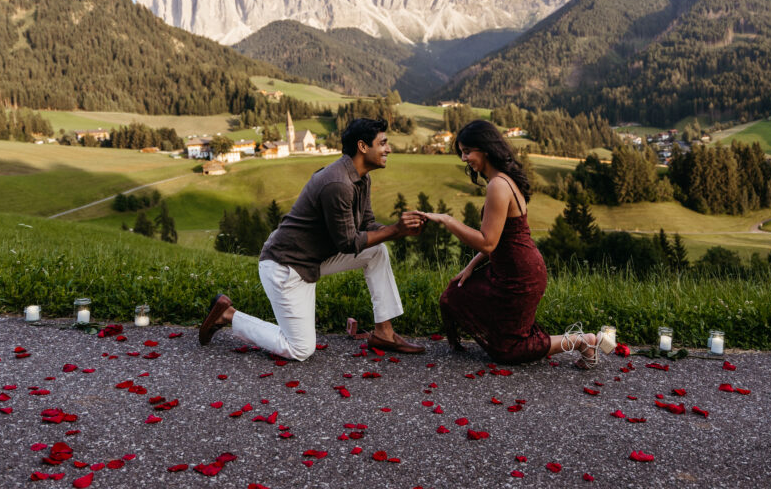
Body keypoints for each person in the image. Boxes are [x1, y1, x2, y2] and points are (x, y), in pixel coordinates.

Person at [199, 118, 427, 360]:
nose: (388, 149)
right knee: (300, 349)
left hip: (312, 259)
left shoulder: (361, 178)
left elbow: (367, 225)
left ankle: (384, 332)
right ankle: (228, 316)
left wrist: (403, 228)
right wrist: (396, 230)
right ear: (362, 147)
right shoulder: (338, 184)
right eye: (383, 143)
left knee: (376, 251)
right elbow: (348, 244)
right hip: (285, 266)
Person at [419, 120, 612, 368]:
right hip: (506, 269)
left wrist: (446, 220)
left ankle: (582, 341)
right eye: (462, 152)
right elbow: (501, 238)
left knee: (510, 350)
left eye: (468, 151)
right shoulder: (503, 180)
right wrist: (471, 266)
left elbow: (488, 243)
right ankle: (459, 349)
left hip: (521, 275)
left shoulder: (498, 185)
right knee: (453, 295)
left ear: (485, 149)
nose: (464, 158)